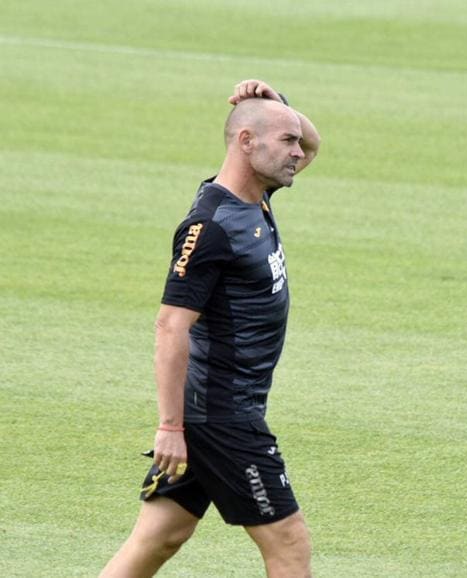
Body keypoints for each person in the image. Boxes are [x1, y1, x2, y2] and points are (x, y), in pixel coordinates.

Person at [99, 79, 321, 578]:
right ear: (246, 142)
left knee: (159, 538)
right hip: (222, 418)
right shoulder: (213, 226)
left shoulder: (256, 198)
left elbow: (314, 143)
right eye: (286, 140)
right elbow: (169, 327)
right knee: (289, 545)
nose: (298, 150)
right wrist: (170, 428)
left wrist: (275, 101)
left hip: (212, 412)